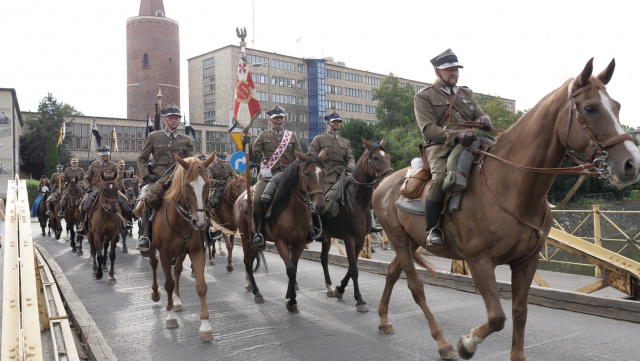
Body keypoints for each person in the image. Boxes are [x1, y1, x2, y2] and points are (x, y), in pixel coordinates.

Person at [414, 48, 492, 247]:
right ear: (437, 72)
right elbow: (428, 129)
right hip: (441, 148)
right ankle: (432, 228)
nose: (454, 73)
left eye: (456, 69)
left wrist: (484, 119)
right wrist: (456, 134)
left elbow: (480, 114)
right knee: (440, 178)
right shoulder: (424, 96)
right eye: (449, 69)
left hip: (473, 144)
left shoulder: (465, 92)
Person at [242, 105, 303, 249]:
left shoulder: (291, 136)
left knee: (306, 195)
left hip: (287, 174)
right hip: (268, 175)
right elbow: (254, 155)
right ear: (270, 120)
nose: (278, 120)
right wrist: (247, 145)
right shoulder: (263, 135)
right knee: (256, 200)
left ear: (284, 119)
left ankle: (308, 230)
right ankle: (259, 234)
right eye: (276, 118)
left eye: (281, 117)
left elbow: (299, 157)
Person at [136, 103, 194, 252]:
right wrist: (146, 175)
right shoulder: (154, 137)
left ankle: (205, 233)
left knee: (197, 198)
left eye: (176, 118)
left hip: (179, 178)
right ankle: (145, 236)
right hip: (159, 178)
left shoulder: (186, 139)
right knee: (148, 199)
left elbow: (190, 162)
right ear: (164, 120)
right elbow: (141, 158)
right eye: (171, 118)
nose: (174, 120)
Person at [76, 146, 125, 235]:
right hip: (95, 189)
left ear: (109, 155)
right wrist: (87, 188)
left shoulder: (113, 165)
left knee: (125, 203)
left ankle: (124, 224)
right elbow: (86, 178)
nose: (105, 156)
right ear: (100, 155)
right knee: (84, 204)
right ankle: (83, 225)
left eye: (106, 155)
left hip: (110, 190)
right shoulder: (94, 164)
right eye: (103, 155)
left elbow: (117, 178)